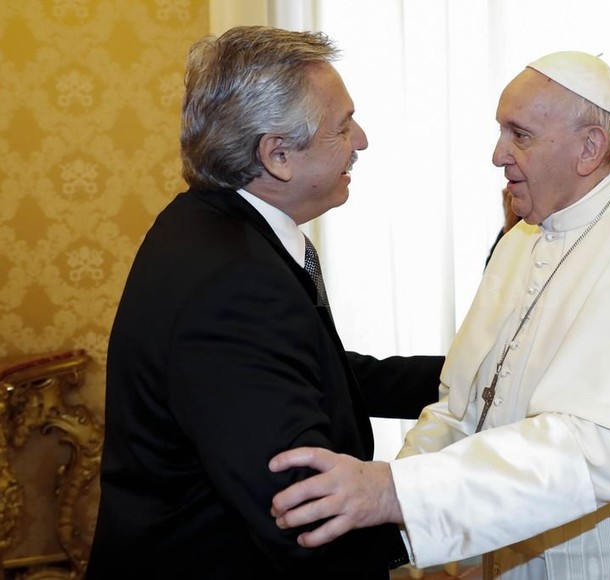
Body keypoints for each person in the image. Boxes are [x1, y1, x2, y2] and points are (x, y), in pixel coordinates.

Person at [269, 51, 610, 579]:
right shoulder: (520, 242)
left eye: (519, 135)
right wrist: (397, 492)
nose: (497, 154)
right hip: (524, 541)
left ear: (589, 147)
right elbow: (463, 403)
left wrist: (401, 495)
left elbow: (597, 449)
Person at [85, 26, 443, 579]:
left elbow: (301, 372)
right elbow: (301, 510)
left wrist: (466, 378)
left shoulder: (206, 223)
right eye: (342, 126)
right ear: (277, 156)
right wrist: (459, 521)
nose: (362, 140)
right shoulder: (233, 283)